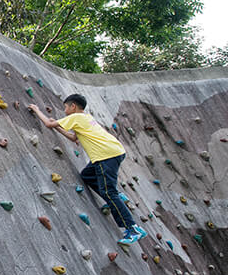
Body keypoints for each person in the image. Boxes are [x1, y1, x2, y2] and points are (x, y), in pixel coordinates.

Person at [29, 94, 146, 245]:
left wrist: (37, 110)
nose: (64, 110)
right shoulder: (86, 118)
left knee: (108, 192)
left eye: (65, 107)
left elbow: (48, 124)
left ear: (73, 106)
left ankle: (133, 228)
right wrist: (58, 127)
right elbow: (74, 138)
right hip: (112, 151)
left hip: (105, 155)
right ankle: (117, 197)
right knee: (87, 176)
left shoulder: (76, 117)